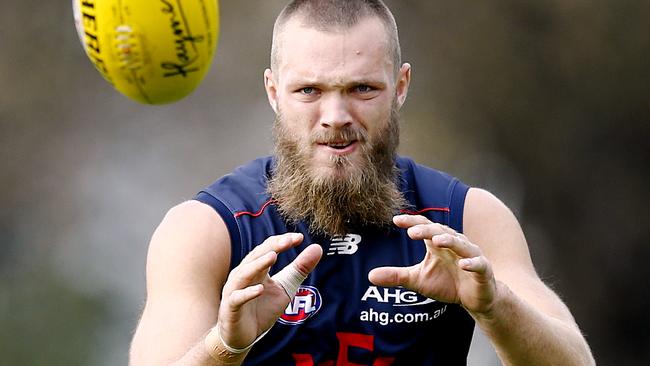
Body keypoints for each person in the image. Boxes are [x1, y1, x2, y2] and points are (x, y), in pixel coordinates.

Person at [129, 1, 595, 365]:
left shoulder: (468, 220)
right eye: (309, 90)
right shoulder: (206, 230)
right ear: (274, 92)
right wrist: (225, 347)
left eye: (362, 89)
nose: (335, 117)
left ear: (400, 86)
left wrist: (497, 308)